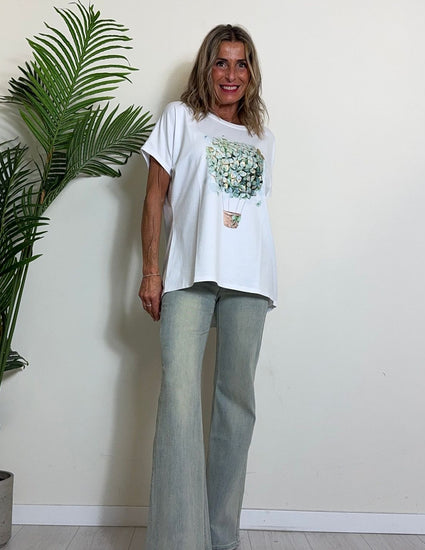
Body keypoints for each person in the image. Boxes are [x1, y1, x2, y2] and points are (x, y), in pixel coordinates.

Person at [138, 24, 277, 550]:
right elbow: (154, 198)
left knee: (236, 405)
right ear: (206, 67)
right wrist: (152, 271)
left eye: (241, 64)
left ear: (251, 73)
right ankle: (178, 541)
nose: (231, 74)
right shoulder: (181, 118)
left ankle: (222, 539)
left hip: (250, 278)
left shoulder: (261, 137)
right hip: (187, 275)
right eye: (222, 62)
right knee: (179, 401)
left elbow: (253, 213)